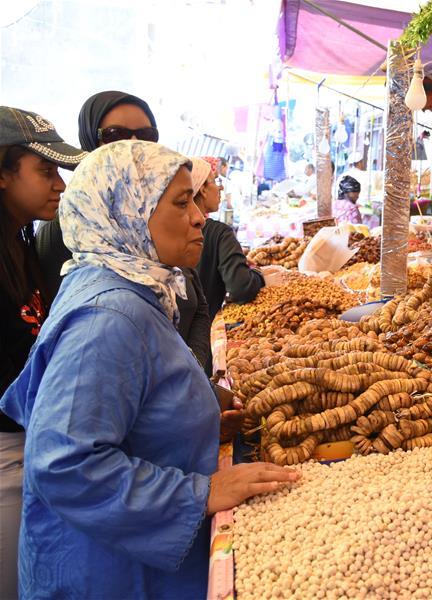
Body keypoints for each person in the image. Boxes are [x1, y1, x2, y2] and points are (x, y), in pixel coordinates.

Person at [0, 141, 297, 599]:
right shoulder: (109, 316)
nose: (199, 216)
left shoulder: (125, 285)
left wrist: (189, 425)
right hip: (104, 577)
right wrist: (200, 493)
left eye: (196, 200)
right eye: (181, 203)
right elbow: (64, 463)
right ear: (127, 213)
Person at [35, 90, 212, 371]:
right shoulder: (102, 308)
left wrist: (192, 374)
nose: (134, 144)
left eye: (146, 134)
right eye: (116, 134)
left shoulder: (162, 230)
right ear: (90, 140)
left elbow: (197, 305)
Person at [0, 106, 86, 600]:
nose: (60, 185)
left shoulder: (21, 241)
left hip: (29, 440)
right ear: (2, 174)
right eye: (46, 171)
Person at [191, 156, 266, 326]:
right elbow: (242, 288)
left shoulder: (168, 233)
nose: (221, 186)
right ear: (202, 189)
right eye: (215, 181)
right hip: (203, 333)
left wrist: (233, 260)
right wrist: (259, 275)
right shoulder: (220, 233)